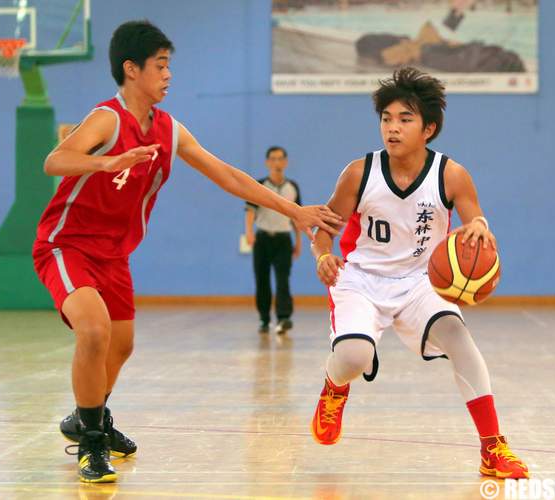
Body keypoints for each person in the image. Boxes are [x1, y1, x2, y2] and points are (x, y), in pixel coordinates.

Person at [32, 20, 342, 484]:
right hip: (66, 244)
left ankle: (87, 416)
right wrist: (107, 161)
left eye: (169, 66)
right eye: (160, 66)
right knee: (93, 330)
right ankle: (92, 444)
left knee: (122, 345)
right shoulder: (108, 119)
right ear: (131, 69)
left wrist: (294, 211)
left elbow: (229, 176)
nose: (168, 74)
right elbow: (54, 160)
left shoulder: (168, 130)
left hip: (115, 255)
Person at [309, 67, 529, 479]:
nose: (392, 128)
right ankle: (334, 388)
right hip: (361, 280)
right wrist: (322, 255)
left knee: (460, 339)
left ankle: (492, 447)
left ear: (428, 128)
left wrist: (480, 226)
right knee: (355, 356)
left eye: (404, 119)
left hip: (420, 283)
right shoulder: (359, 172)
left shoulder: (451, 174)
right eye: (387, 118)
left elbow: (476, 219)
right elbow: (324, 227)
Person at [245, 146, 302, 335]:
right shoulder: (259, 185)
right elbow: (250, 210)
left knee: (282, 279)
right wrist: (249, 233)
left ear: (285, 162)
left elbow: (297, 216)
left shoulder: (292, 187)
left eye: (280, 159)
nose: (277, 162)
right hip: (262, 239)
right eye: (273, 159)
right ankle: (264, 319)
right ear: (267, 162)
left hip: (283, 240)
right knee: (262, 279)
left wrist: (299, 241)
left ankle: (284, 318)